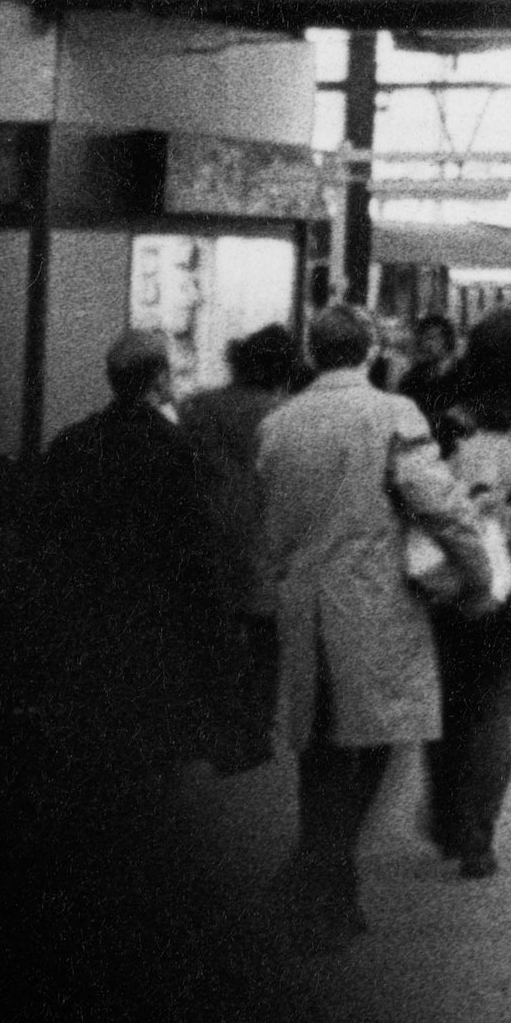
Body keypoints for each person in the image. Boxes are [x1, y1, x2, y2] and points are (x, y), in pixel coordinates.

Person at [252, 301, 473, 941]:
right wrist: (475, 570)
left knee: (319, 747)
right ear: (370, 350)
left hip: (301, 604)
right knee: (376, 739)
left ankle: (326, 883)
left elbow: (270, 521)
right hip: (371, 603)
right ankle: (323, 873)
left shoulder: (279, 424)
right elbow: (436, 501)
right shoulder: (392, 414)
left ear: (312, 352)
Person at [418, 310, 511, 879]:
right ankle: (479, 836)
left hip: (449, 585)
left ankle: (446, 818)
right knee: (493, 705)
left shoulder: (440, 427)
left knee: (448, 703)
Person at [26, 325, 208, 776]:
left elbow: (48, 525)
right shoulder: (174, 447)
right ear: (160, 379)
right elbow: (189, 539)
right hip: (153, 606)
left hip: (89, 599)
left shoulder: (73, 441)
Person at [174, 321, 301, 773]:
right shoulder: (287, 414)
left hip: (209, 532)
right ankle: (251, 733)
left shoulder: (199, 407)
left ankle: (206, 727)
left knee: (211, 637)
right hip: (265, 536)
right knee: (265, 646)